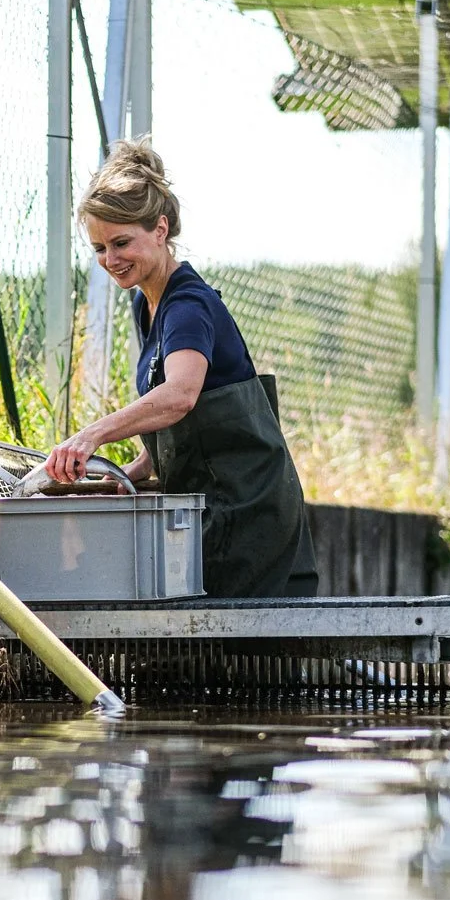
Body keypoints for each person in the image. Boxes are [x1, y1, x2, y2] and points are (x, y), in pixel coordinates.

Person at [44, 140, 318, 599]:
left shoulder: (187, 304)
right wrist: (132, 471)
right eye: (99, 248)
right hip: (205, 506)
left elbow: (180, 396)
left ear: (160, 229)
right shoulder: (145, 303)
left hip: (245, 508)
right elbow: (196, 424)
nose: (111, 259)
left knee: (224, 651)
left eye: (121, 242)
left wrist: (90, 436)